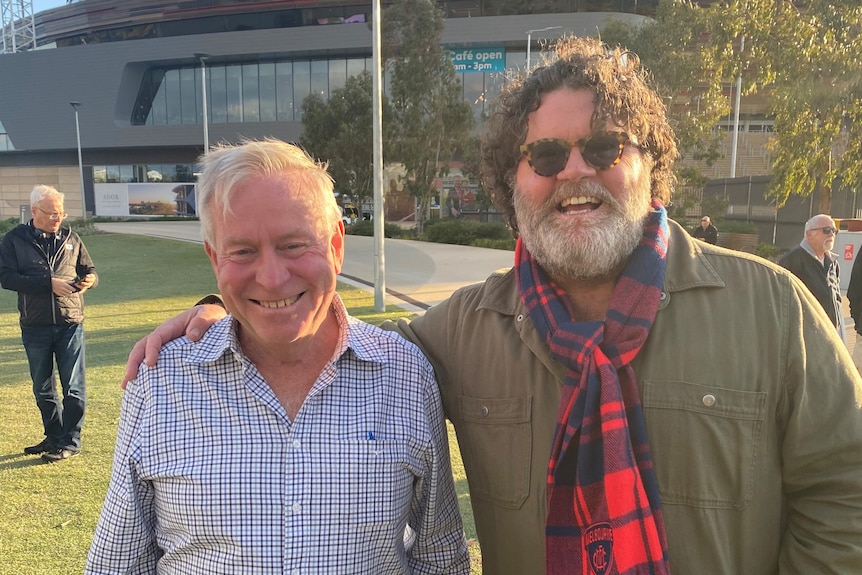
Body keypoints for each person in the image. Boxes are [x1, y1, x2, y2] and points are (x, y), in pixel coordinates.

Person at [125, 37, 862, 575]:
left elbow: (846, 490)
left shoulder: (771, 310)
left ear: (652, 165)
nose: (575, 171)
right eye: (544, 156)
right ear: (515, 180)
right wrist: (224, 312)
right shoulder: (461, 332)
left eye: (605, 146)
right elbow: (321, 337)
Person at [87, 139, 468, 574]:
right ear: (215, 259)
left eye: (293, 245)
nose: (271, 277)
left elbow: (438, 556)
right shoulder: (160, 380)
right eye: (243, 251)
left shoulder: (405, 375)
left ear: (336, 245)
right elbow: (119, 563)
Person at [0, 184, 98, 463]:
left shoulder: (72, 237)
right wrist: (48, 284)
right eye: (52, 213)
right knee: (43, 388)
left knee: (74, 387)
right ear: (34, 211)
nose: (59, 218)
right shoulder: (14, 240)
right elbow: (6, 278)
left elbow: (88, 269)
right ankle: (54, 437)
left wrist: (90, 280)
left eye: (61, 213)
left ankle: (71, 441)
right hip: (35, 325)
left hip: (70, 323)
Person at [778, 214, 845, 343]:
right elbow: (781, 299)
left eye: (834, 230)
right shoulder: (793, 259)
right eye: (826, 230)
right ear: (809, 235)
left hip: (830, 335)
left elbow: (836, 299)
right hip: (805, 338)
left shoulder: (832, 262)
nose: (831, 234)